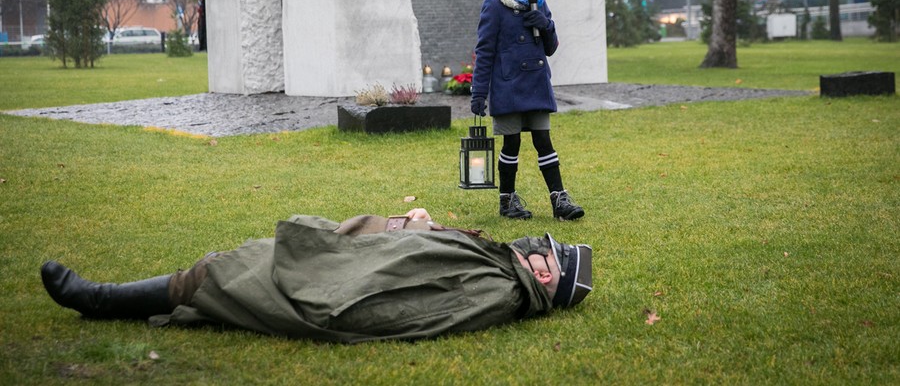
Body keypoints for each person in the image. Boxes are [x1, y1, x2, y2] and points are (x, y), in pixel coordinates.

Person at [41, 208, 592, 343]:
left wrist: (325, 295)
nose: (534, 248)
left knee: (218, 275)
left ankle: (98, 300)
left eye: (546, 255)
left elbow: (409, 308)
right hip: (345, 257)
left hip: (333, 284)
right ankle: (108, 297)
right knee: (235, 259)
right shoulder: (501, 264)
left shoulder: (498, 291)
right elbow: (422, 254)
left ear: (548, 280)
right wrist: (415, 223)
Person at [471, 0, 585, 221]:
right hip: (508, 85)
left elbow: (551, 48)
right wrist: (479, 93)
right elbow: (484, 51)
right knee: (511, 144)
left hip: (536, 84)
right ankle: (507, 199)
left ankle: (559, 199)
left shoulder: (539, 1)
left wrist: (545, 24)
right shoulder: (494, 4)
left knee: (544, 141)